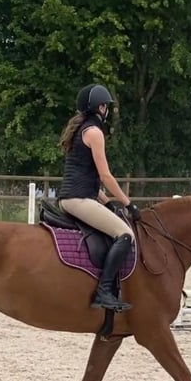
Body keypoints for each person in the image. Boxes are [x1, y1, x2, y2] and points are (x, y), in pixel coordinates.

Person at [58, 83, 141, 312]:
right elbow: (105, 175)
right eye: (106, 106)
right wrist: (128, 203)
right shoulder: (94, 132)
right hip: (79, 199)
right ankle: (104, 291)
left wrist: (108, 203)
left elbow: (87, 177)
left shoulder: (81, 129)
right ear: (100, 107)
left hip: (77, 196)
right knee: (125, 234)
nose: (107, 110)